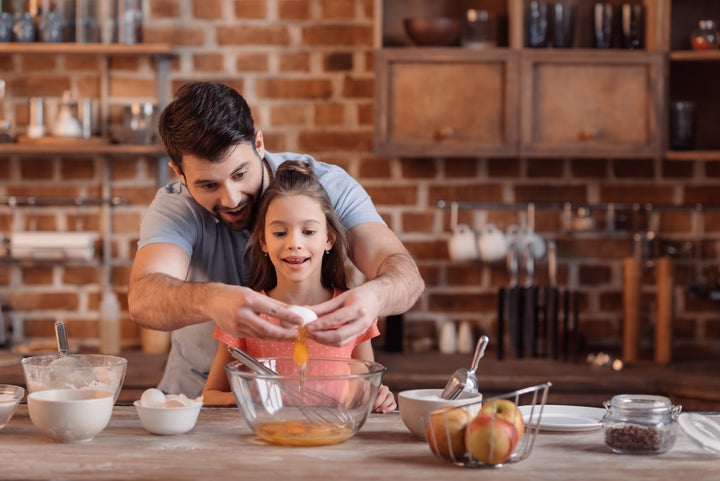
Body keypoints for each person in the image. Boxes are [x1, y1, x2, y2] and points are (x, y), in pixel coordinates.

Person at [128, 81, 424, 397]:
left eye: (240, 175)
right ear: (179, 173)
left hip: (307, 409)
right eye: (208, 185)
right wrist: (213, 299)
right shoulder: (176, 206)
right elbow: (143, 298)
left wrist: (375, 297)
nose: (231, 199)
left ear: (259, 143)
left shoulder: (324, 188)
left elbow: (405, 275)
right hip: (196, 404)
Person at [203, 160, 396, 412]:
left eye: (308, 231)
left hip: (332, 443)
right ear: (263, 242)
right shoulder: (245, 313)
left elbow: (362, 390)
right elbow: (210, 395)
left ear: (328, 239)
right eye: (280, 233)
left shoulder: (351, 311)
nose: (294, 242)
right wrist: (243, 396)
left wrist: (377, 397)